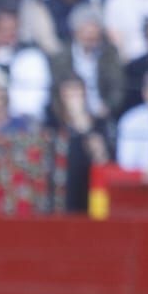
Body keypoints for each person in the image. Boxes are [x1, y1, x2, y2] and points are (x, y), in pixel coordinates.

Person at [51, 4, 123, 121]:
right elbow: (55, 91)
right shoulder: (61, 57)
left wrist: (108, 107)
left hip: (101, 113)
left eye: (94, 37)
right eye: (86, 35)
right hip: (69, 114)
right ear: (75, 33)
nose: (90, 40)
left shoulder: (110, 54)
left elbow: (117, 88)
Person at [52, 75, 110, 211]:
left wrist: (83, 124)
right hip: (62, 191)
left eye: (77, 92)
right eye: (69, 93)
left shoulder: (98, 124)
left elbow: (102, 159)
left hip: (89, 189)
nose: (74, 98)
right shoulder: (53, 122)